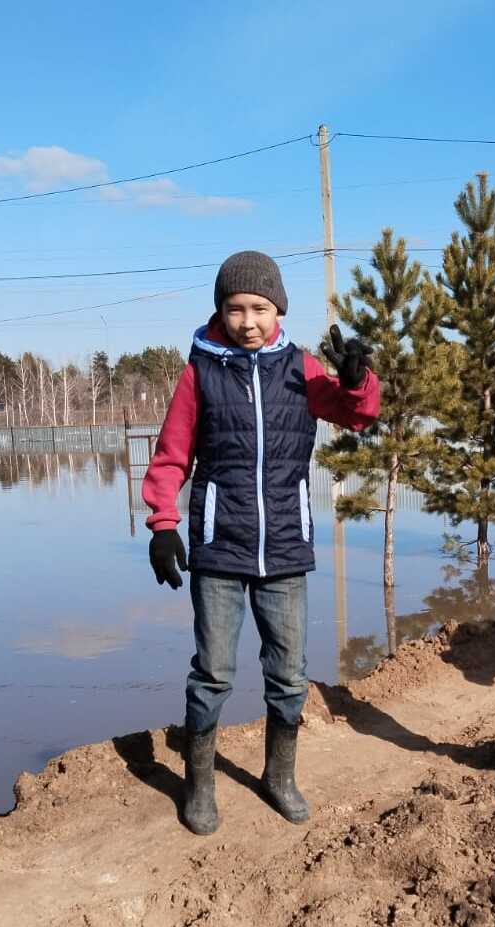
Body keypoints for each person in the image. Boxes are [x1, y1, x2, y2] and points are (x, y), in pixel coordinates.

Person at [142, 251, 380, 834]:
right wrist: (163, 524)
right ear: (220, 311)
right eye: (236, 308)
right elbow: (172, 456)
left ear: (278, 311)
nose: (248, 320)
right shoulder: (199, 373)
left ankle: (280, 776)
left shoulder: (300, 368)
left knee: (289, 673)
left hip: (285, 547)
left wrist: (355, 380)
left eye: (260, 308)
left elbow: (357, 415)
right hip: (219, 547)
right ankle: (198, 784)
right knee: (214, 671)